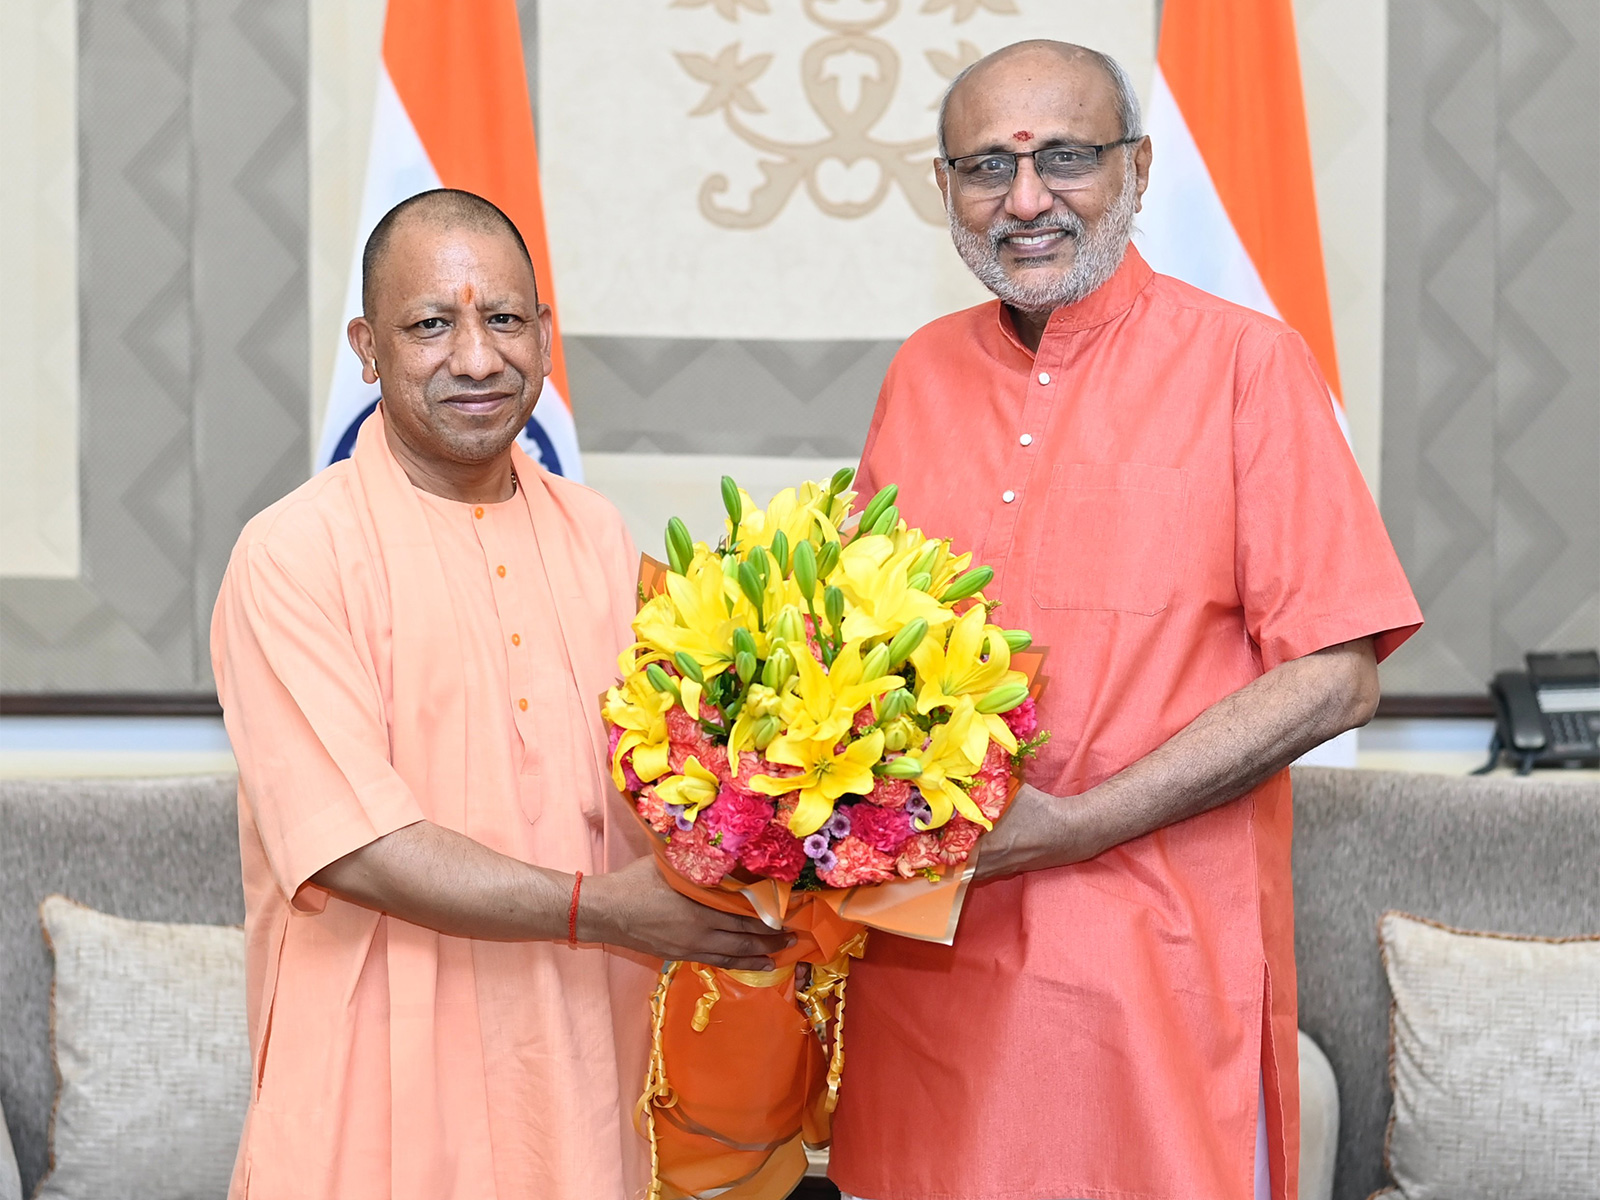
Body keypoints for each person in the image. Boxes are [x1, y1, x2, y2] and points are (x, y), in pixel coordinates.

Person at [827, 42, 1422, 1200]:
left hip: (1151, 967)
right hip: (927, 963)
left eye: (1065, 157)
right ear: (942, 187)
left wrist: (1081, 823)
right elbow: (859, 659)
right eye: (987, 169)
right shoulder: (920, 371)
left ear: (1138, 168)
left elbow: (1337, 674)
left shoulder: (1249, 365)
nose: (1028, 199)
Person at [210, 189, 790, 1200]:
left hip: (581, 1091)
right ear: (366, 346)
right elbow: (359, 846)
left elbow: (688, 786)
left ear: (546, 335)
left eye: (504, 319)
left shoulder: (600, 538)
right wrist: (606, 912)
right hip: (374, 1107)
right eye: (432, 324)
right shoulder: (293, 555)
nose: (476, 358)